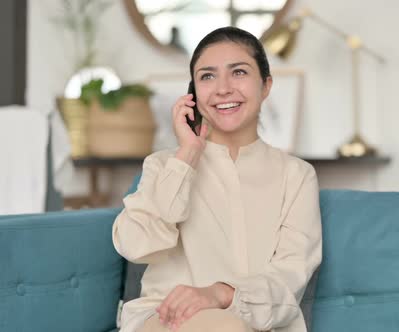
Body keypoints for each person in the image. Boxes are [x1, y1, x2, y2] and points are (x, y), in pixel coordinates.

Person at [112, 26, 322, 332]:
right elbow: (136, 244)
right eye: (207, 76)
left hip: (256, 323)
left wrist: (222, 294)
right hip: (164, 320)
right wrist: (187, 157)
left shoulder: (297, 176)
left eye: (238, 72)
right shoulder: (164, 165)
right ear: (193, 94)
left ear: (266, 85)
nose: (222, 88)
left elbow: (290, 276)